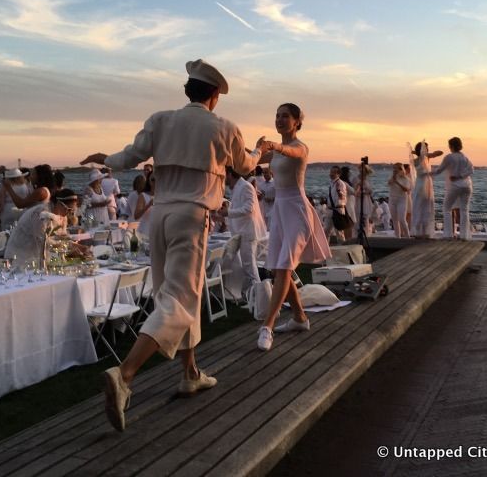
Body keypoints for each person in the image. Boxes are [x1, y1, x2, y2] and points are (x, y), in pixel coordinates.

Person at [81, 58, 265, 432]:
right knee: (180, 300)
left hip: (160, 216)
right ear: (215, 95)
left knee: (176, 295)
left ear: (187, 91)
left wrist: (104, 159)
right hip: (191, 216)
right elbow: (245, 166)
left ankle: (190, 372)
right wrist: (263, 152)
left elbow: (128, 157)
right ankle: (125, 375)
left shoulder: (160, 119)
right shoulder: (224, 127)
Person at [255, 103, 331, 352]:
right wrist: (253, 149)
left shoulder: (299, 147)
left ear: (297, 121)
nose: (279, 119)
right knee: (279, 269)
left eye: (285, 116)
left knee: (285, 265)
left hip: (297, 210)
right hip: (279, 210)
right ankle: (299, 318)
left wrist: (272, 146)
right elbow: (249, 161)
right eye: (276, 115)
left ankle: (267, 326)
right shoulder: (276, 152)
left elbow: (291, 153)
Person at [3, 188, 85, 267]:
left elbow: (62, 238)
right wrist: (69, 249)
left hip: (40, 258)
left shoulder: (63, 216)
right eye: (68, 209)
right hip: (19, 257)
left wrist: (77, 246)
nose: (69, 213)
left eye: (72, 210)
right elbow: (43, 241)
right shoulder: (40, 214)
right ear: (58, 203)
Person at [219, 166, 267, 301]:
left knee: (250, 268)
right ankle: (248, 295)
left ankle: (259, 299)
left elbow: (249, 208)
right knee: (246, 267)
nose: (223, 179)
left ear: (229, 174)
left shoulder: (245, 186)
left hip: (247, 232)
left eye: (224, 175)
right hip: (241, 232)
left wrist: (228, 212)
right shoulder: (238, 187)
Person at [433, 137, 474, 240]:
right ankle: (464, 236)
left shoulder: (449, 157)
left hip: (455, 186)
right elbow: (471, 170)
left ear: (451, 146)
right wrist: (461, 176)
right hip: (467, 186)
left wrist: (426, 174)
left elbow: (439, 170)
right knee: (464, 210)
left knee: (447, 208)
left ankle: (448, 235)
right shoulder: (465, 157)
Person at [410, 141, 443, 238]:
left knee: (422, 207)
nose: (427, 150)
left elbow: (440, 152)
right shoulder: (424, 158)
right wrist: (425, 154)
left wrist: (420, 153)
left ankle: (422, 232)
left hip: (423, 184)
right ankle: (422, 232)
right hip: (423, 185)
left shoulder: (419, 159)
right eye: (426, 148)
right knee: (424, 207)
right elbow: (440, 152)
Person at [328, 165, 352, 240]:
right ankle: (325, 249)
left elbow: (342, 197)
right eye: (331, 172)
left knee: (339, 232)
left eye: (334, 172)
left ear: (338, 174)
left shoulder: (340, 183)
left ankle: (343, 246)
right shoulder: (332, 183)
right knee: (326, 230)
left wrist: (340, 194)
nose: (331, 174)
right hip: (331, 210)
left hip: (337, 210)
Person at [387, 163, 411, 238]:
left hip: (402, 199)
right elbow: (389, 183)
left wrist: (397, 182)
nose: (394, 170)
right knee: (394, 220)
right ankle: (398, 237)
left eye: (396, 168)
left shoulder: (406, 179)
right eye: (394, 169)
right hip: (392, 199)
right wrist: (394, 177)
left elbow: (406, 189)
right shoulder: (392, 177)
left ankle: (407, 236)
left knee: (402, 219)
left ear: (401, 169)